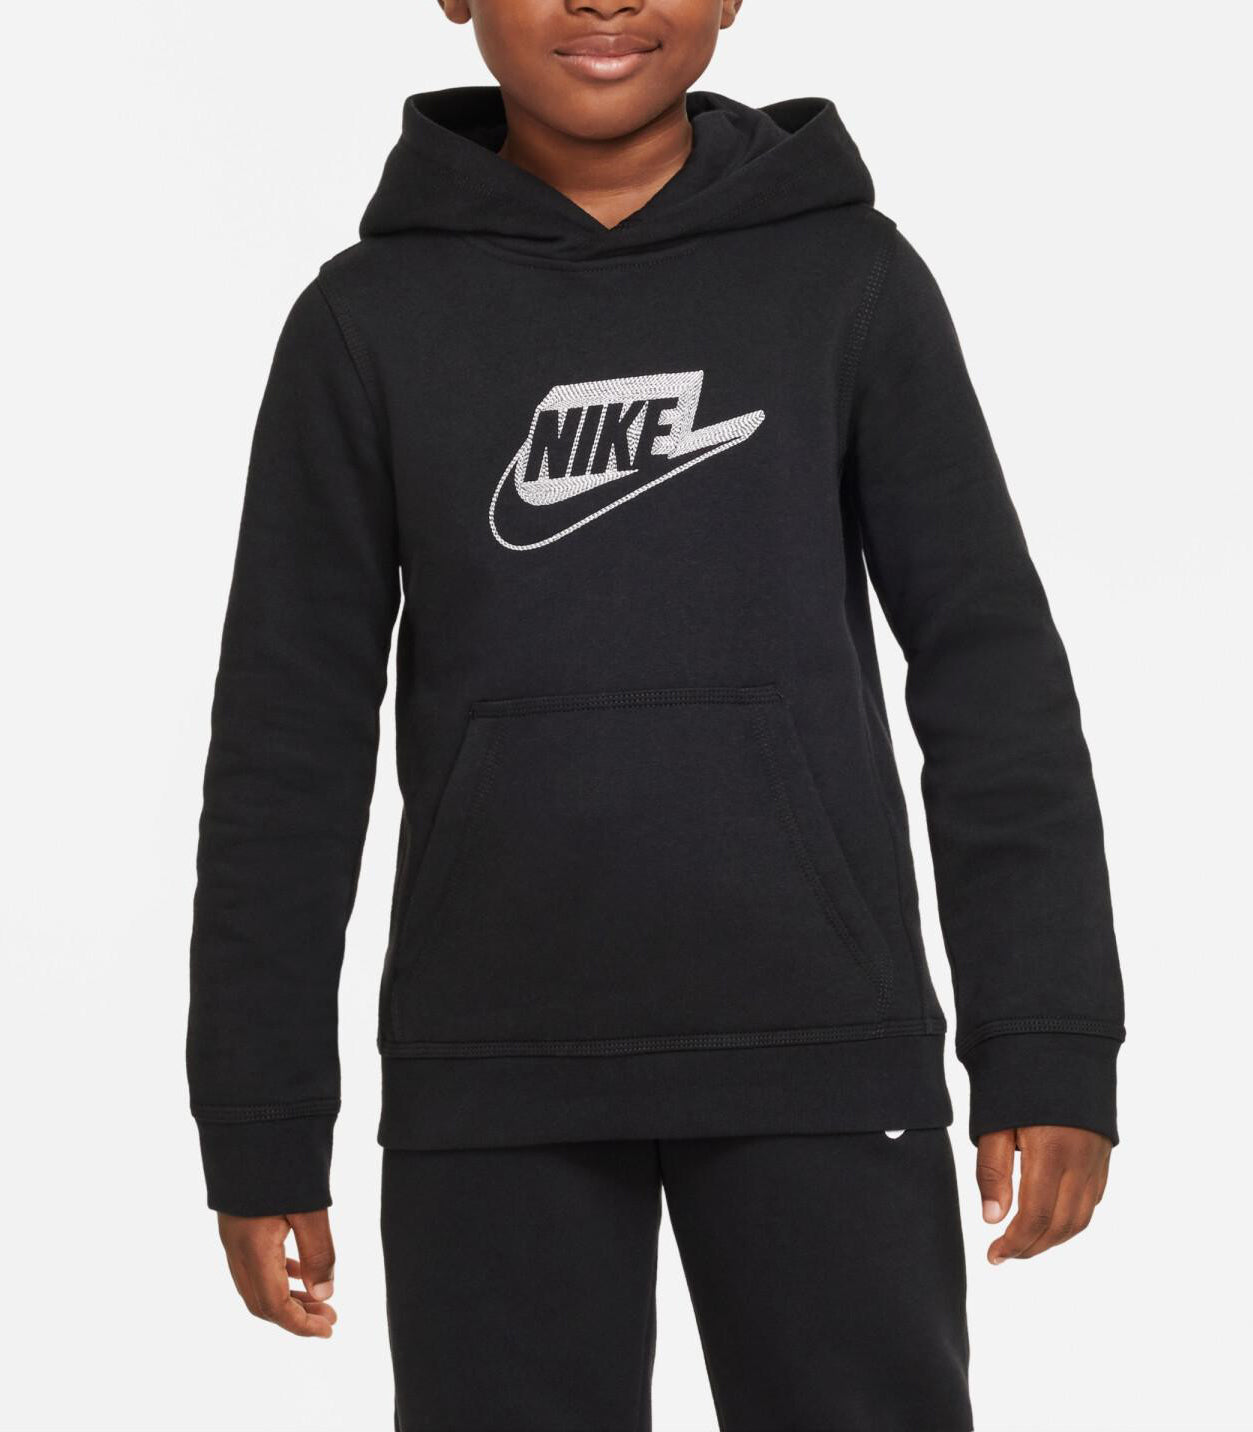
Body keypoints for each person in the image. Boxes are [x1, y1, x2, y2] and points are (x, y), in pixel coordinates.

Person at [187, 2, 1125, 1427]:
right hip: (491, 1071)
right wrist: (259, 1119)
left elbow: (989, 675)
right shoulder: (365, 323)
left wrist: (1046, 1037)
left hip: (821, 1048)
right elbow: (285, 748)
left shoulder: (848, 281)